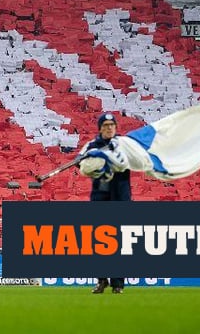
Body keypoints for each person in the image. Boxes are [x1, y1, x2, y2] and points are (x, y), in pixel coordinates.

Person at [84, 113, 130, 295]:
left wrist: (107, 156)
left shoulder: (124, 145)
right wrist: (91, 162)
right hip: (100, 196)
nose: (109, 128)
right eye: (106, 125)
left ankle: (118, 284)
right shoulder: (91, 146)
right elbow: (83, 167)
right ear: (100, 127)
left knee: (119, 242)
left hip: (120, 196)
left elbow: (127, 163)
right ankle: (101, 280)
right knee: (100, 240)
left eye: (112, 124)